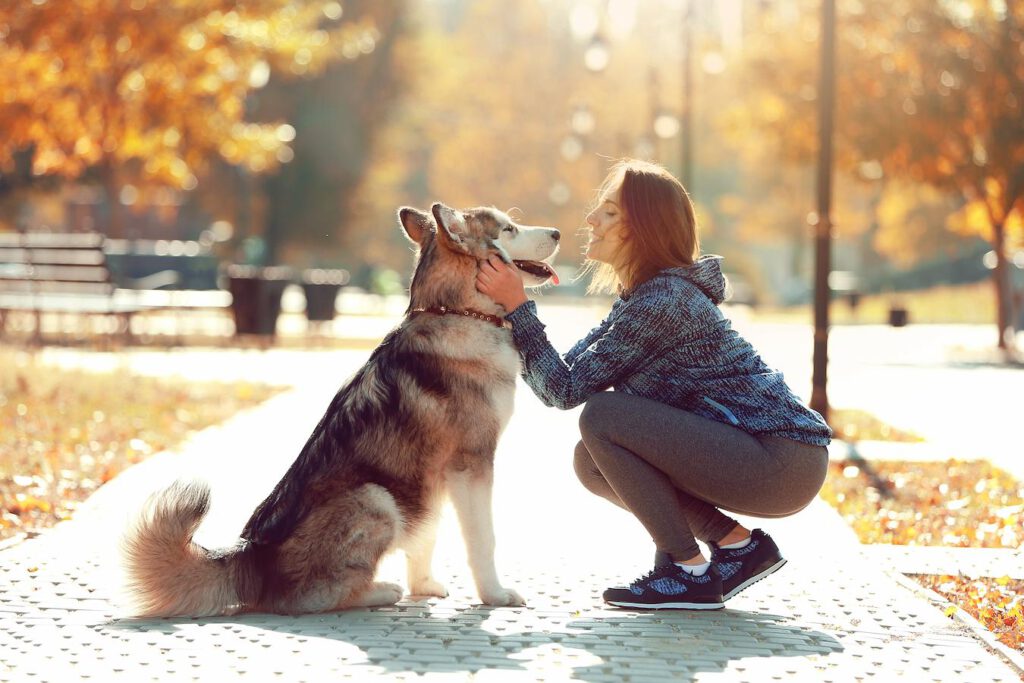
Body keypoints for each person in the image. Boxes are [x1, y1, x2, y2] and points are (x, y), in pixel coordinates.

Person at [475, 159, 832, 610]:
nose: (591, 220)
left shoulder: (663, 301)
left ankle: (688, 572)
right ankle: (738, 547)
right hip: (766, 456)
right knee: (592, 461)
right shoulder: (643, 298)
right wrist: (509, 311)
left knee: (603, 417)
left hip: (782, 460)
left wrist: (517, 306)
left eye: (608, 213)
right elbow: (559, 378)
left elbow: (564, 393)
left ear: (641, 227)